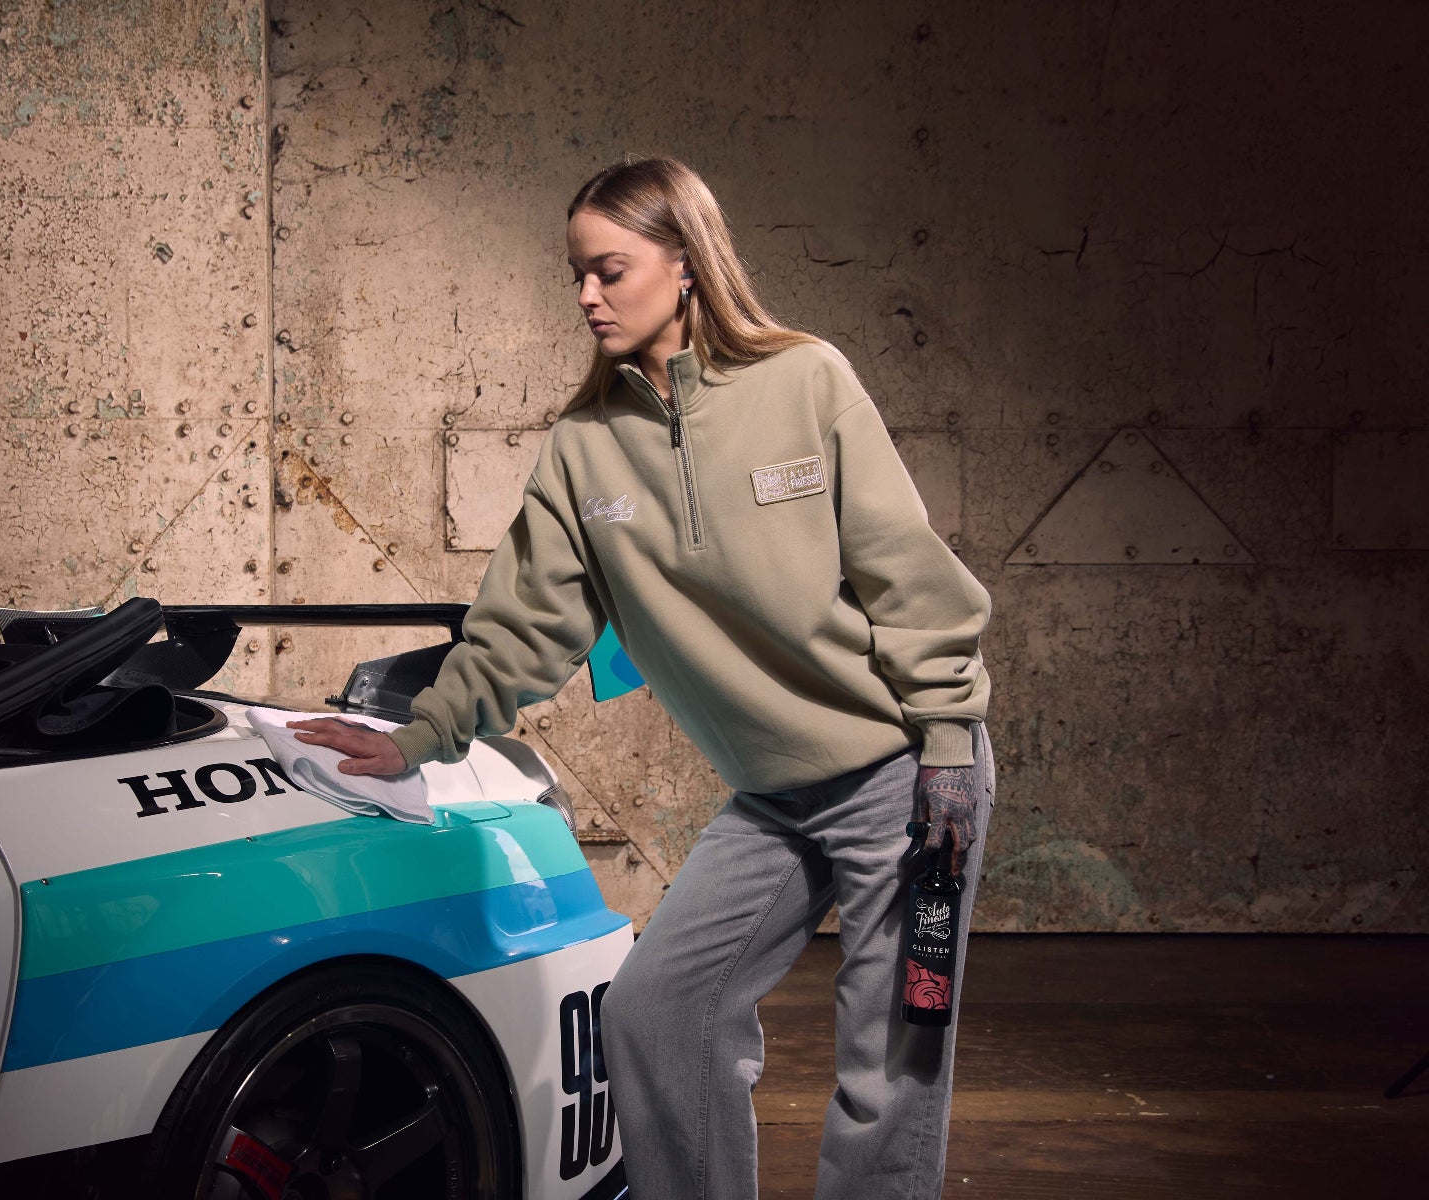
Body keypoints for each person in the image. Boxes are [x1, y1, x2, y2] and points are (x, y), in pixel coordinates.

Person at [288, 155, 996, 1200]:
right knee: (655, 1009)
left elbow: (908, 574)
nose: (586, 295)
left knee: (890, 1059)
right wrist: (417, 738)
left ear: (686, 263)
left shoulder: (806, 382)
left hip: (907, 775)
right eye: (576, 273)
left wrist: (946, 742)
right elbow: (521, 630)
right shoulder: (584, 450)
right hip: (775, 797)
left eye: (609, 270)